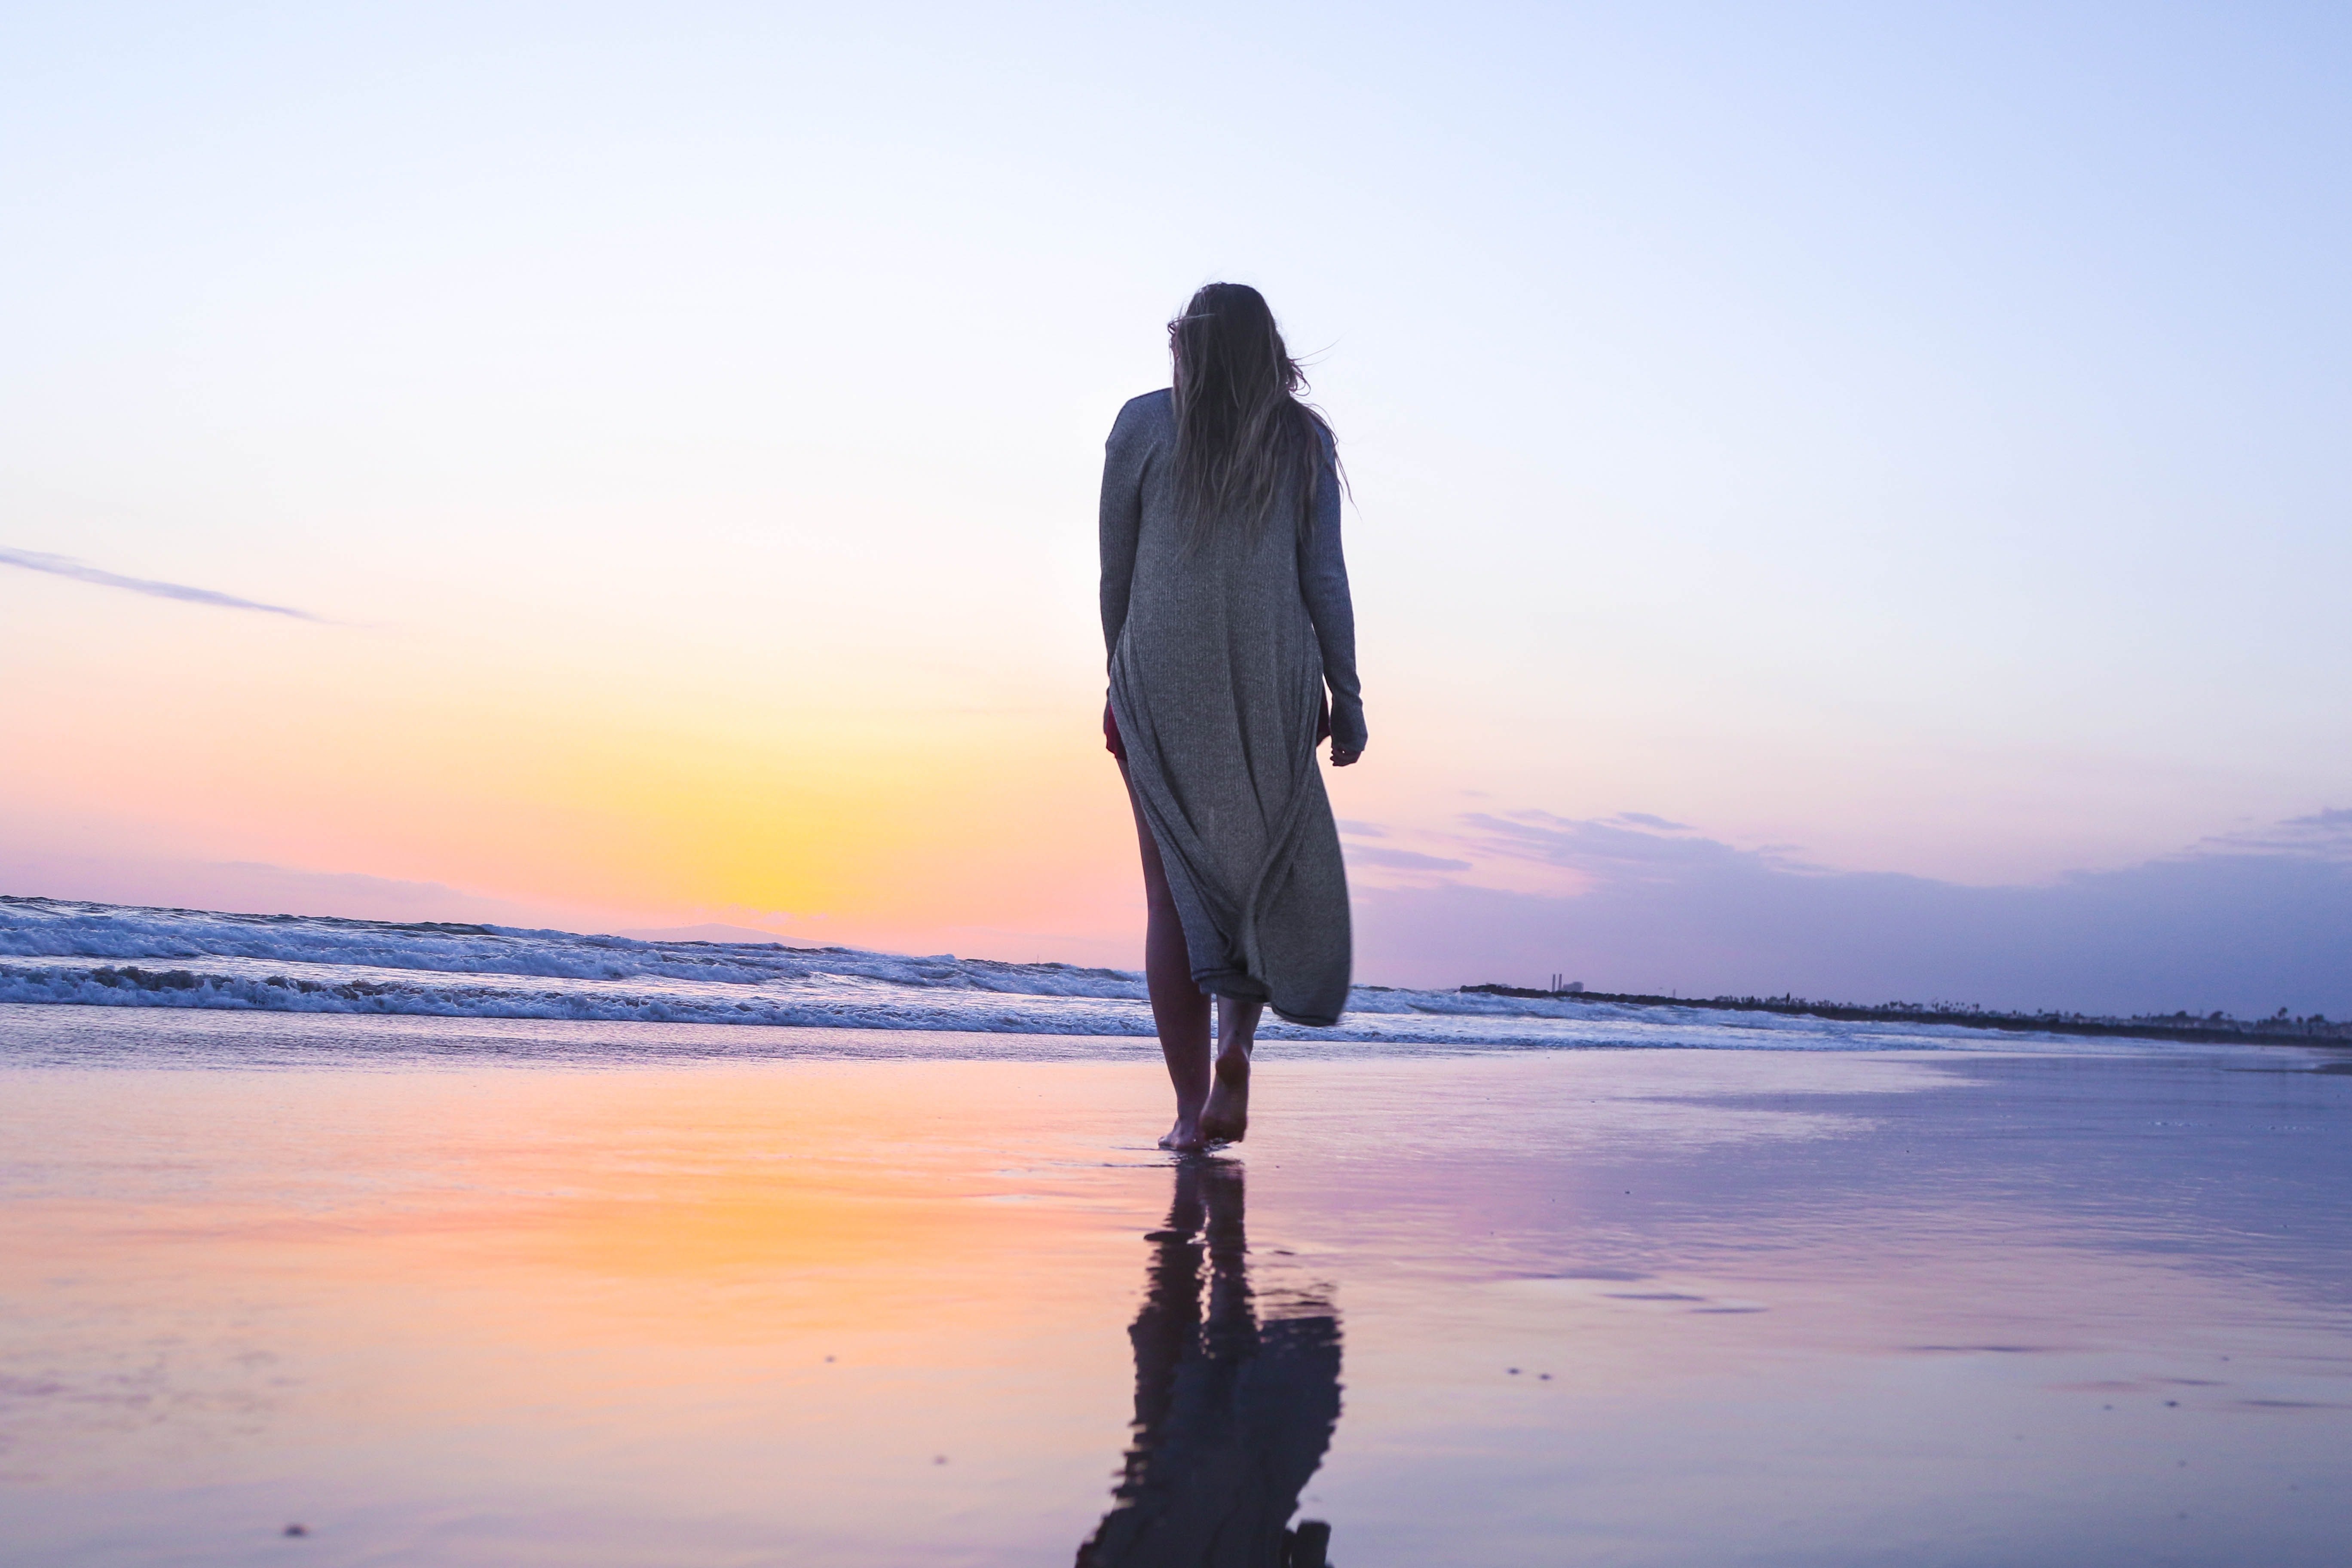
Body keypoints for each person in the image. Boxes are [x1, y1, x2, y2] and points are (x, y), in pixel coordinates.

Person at [1099, 282, 1365, 1153]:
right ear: (1267, 351)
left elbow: (1117, 574)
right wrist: (1348, 696)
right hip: (1272, 678)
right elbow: (1323, 578)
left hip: (1162, 674)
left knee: (1170, 898)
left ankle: (1188, 1111)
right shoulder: (1302, 440)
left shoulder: (1141, 424)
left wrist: (1117, 682)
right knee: (1256, 884)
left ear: (1187, 344)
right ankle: (1236, 1053)